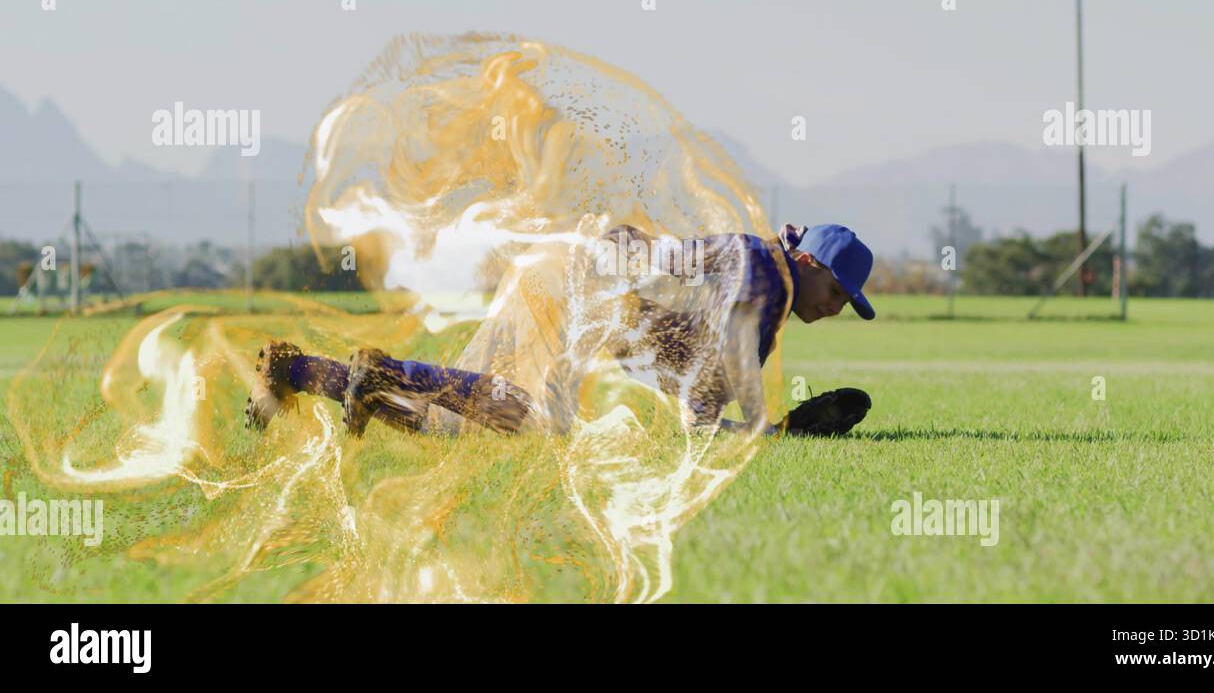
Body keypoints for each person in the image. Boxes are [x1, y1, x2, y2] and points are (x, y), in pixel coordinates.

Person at [244, 223, 876, 438]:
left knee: (464, 423)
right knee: (509, 418)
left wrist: (757, 429)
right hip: (582, 301)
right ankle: (363, 374)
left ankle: (301, 371)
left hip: (578, 292)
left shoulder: (761, 273)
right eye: (839, 294)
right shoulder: (764, 273)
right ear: (811, 262)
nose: (837, 309)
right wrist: (767, 428)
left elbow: (696, 404)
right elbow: (719, 378)